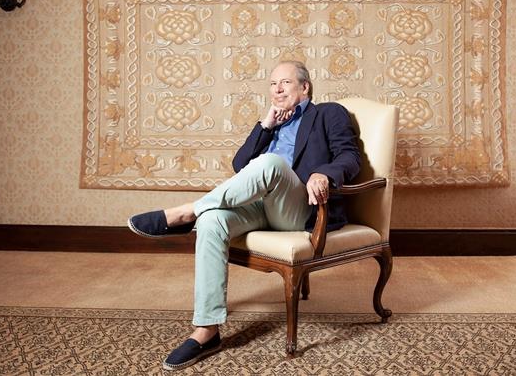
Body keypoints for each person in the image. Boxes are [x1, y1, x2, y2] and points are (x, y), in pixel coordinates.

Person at [128, 60, 360, 370]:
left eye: (285, 82)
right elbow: (240, 166)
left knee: (271, 163)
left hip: (301, 208)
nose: (277, 89)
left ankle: (186, 212)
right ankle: (207, 330)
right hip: (263, 206)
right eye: (272, 84)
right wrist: (266, 126)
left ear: (305, 87)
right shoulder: (272, 124)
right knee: (212, 220)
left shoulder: (328, 113)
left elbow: (350, 156)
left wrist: (324, 174)